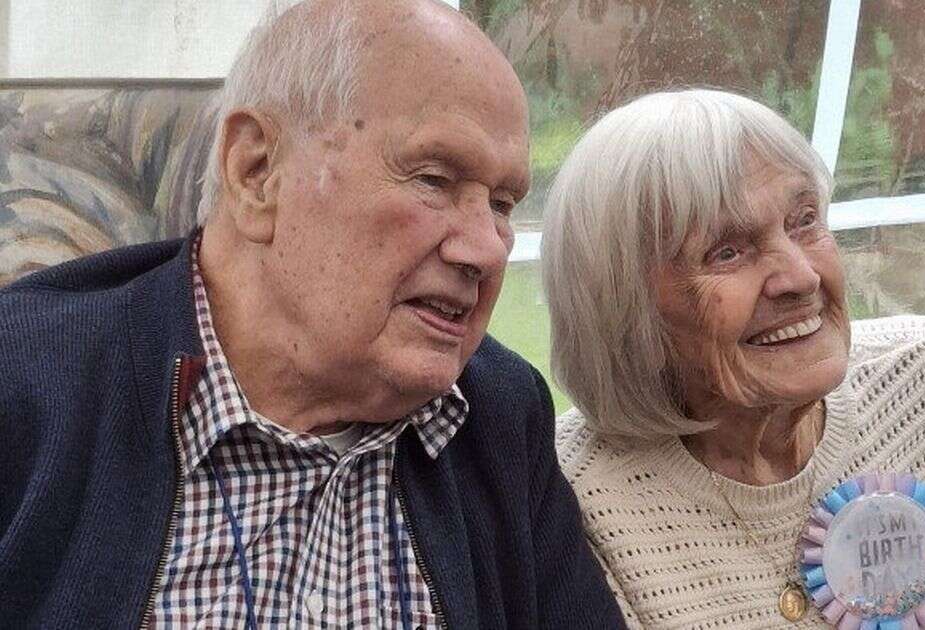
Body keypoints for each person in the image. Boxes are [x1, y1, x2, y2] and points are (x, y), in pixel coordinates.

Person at [0, 1, 622, 627]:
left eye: (503, 203)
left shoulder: (496, 416)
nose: (487, 248)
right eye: (434, 178)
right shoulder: (29, 388)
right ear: (257, 172)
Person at [543, 89, 925, 629]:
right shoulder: (572, 499)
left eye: (804, 220)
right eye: (727, 251)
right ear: (622, 307)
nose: (802, 277)